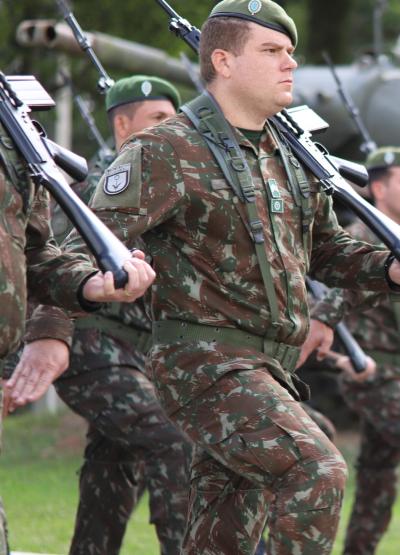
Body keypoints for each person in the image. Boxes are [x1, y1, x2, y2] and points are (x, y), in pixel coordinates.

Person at [47, 1, 400, 552]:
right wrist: (81, 296)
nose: (290, 64)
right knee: (316, 468)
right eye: (272, 51)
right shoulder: (167, 148)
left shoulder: (289, 154)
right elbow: (78, 244)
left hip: (269, 366)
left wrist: (390, 268)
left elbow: (326, 250)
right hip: (204, 363)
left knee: (222, 534)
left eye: (291, 53)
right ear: (224, 62)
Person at [6, 75, 192, 555]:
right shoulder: (105, 181)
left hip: (133, 348)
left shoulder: (170, 182)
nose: (170, 127)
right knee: (172, 440)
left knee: (114, 464)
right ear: (122, 124)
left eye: (175, 117)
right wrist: (52, 333)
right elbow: (52, 254)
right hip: (90, 342)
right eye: (157, 118)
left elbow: (39, 253)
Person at [310, 146, 400, 555]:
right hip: (373, 377)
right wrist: (343, 359)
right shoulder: (356, 241)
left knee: (378, 477)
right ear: (377, 187)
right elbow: (325, 305)